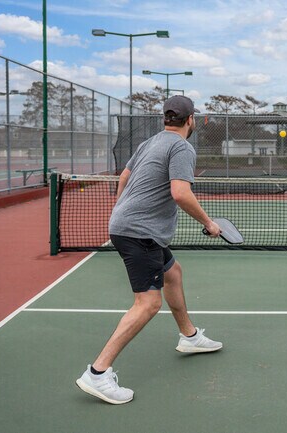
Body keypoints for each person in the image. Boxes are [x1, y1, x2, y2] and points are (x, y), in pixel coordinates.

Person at [76, 95, 223, 405]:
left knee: (173, 273)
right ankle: (98, 373)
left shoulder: (151, 141)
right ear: (191, 120)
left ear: (165, 119)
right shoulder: (182, 147)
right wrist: (209, 222)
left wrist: (121, 208)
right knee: (148, 303)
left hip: (133, 228)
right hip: (140, 233)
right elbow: (180, 193)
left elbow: (125, 176)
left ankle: (190, 336)